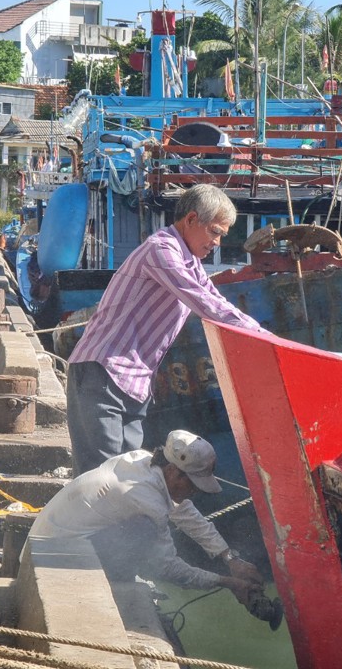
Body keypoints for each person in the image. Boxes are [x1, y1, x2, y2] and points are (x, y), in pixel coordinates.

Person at [66, 183, 266, 475]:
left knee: (127, 477)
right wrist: (262, 336)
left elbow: (214, 299)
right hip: (103, 373)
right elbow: (204, 302)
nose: (218, 243)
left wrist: (256, 333)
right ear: (191, 220)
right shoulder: (161, 250)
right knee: (100, 477)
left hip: (134, 385)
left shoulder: (192, 263)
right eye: (215, 232)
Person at [27, 430, 264, 605]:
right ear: (173, 471)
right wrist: (227, 582)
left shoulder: (140, 460)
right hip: (54, 564)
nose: (194, 492)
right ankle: (112, 588)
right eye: (192, 485)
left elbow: (185, 511)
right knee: (143, 531)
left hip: (42, 548)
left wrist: (230, 558)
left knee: (139, 529)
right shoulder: (146, 501)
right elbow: (168, 567)